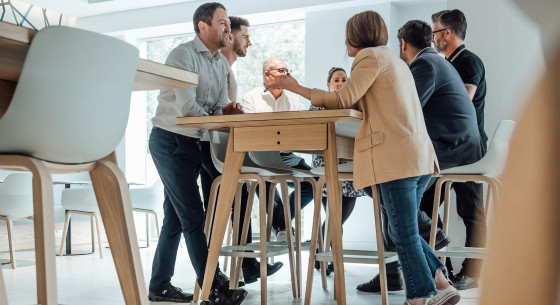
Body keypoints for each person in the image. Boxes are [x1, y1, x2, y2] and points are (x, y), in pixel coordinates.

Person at [266, 10, 460, 305]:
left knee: (403, 230)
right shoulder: (393, 60)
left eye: (348, 35)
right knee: (401, 227)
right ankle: (440, 282)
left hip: (397, 158)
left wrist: (296, 87)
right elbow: (359, 99)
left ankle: (421, 296)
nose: (346, 42)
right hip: (418, 156)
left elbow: (342, 99)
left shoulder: (368, 57)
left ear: (356, 37)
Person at [357, 19, 483, 294]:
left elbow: (407, 108)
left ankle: (406, 261)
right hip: (459, 145)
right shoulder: (438, 61)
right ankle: (424, 263)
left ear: (403, 45)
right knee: (393, 200)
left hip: (450, 146)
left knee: (382, 182)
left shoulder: (424, 65)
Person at [148, 3, 247, 305]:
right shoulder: (183, 55)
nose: (227, 29)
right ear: (203, 27)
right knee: (193, 216)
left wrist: (225, 111)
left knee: (175, 220)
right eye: (222, 23)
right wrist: (218, 115)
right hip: (170, 142)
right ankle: (214, 287)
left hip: (192, 143)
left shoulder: (220, 64)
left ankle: (159, 286)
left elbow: (215, 107)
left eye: (228, 23)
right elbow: (188, 110)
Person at [198, 15, 283, 286]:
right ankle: (220, 272)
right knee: (224, 206)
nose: (249, 41)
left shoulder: (226, 69)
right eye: (245, 36)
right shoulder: (217, 66)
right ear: (230, 36)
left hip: (219, 145)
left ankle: (245, 265)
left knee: (239, 200)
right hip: (208, 146)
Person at [430, 9, 488, 289]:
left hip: (466, 151)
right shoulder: (447, 64)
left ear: (447, 34)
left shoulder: (468, 62)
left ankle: (473, 273)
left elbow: (460, 103)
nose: (432, 38)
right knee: (425, 207)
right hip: (448, 150)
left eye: (435, 32)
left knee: (471, 211)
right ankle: (441, 268)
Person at [240, 58, 316, 242]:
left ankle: (280, 224)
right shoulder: (250, 98)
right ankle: (282, 227)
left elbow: (298, 132)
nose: (286, 75)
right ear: (267, 74)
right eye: (281, 70)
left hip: (286, 154)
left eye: (287, 71)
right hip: (259, 155)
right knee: (264, 180)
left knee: (314, 181)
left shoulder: (292, 100)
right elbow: (253, 134)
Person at [309, 67, 365, 276]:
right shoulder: (319, 106)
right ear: (329, 85)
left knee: (337, 218)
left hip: (351, 172)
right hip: (327, 168)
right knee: (334, 217)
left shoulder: (357, 106)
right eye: (336, 80)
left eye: (344, 80)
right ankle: (327, 258)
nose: (340, 83)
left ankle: (320, 253)